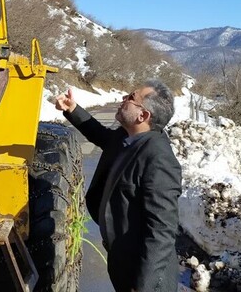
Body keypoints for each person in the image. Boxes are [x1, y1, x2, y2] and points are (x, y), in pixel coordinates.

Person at [55, 79, 181, 292]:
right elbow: (103, 136)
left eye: (131, 98)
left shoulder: (159, 159)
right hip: (121, 260)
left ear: (143, 116)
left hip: (145, 275)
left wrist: (143, 286)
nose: (123, 99)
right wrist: (73, 109)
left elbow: (162, 230)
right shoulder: (130, 137)